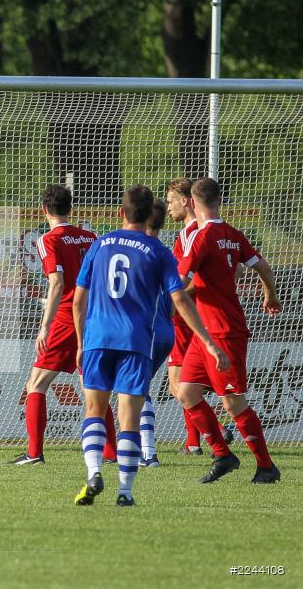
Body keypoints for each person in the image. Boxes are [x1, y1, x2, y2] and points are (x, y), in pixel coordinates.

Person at [72, 185, 228, 507]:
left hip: (98, 338)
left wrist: (80, 341)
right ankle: (125, 491)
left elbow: (78, 300)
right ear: (150, 216)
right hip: (136, 341)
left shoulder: (100, 244)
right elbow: (180, 299)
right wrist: (208, 341)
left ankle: (93, 472)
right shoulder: (158, 252)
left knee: (94, 410)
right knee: (128, 415)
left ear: (121, 212)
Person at [176, 178, 282, 484]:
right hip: (206, 331)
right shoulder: (233, 235)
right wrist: (270, 295)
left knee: (232, 400)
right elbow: (263, 267)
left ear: (193, 203)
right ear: (219, 201)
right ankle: (223, 455)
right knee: (187, 392)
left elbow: (181, 279)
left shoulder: (201, 236)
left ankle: (266, 466)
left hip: (224, 329)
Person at [9, 184, 111, 465]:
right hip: (95, 317)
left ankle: (34, 453)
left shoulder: (48, 240)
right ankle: (112, 452)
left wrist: (44, 326)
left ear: (45, 209)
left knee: (36, 384)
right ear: (71, 208)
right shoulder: (91, 237)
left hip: (67, 317)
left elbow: (57, 283)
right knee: (93, 387)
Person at [165, 178, 233, 455]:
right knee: (183, 385)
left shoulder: (193, 234)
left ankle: (203, 438)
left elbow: (186, 283)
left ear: (186, 201)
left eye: (170, 201)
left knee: (179, 385)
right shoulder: (201, 232)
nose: (167, 207)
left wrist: (174, 302)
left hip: (185, 318)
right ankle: (196, 441)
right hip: (197, 316)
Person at [136, 199, 177, 467]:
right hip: (164, 329)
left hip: (145, 331)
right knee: (138, 388)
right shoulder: (166, 253)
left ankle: (148, 453)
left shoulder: (139, 252)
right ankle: (144, 450)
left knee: (136, 390)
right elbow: (175, 302)